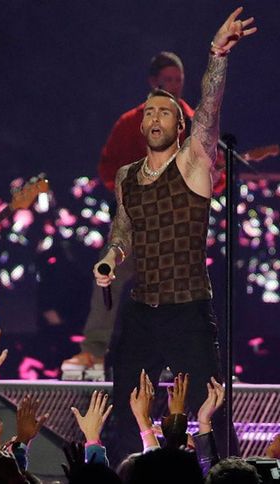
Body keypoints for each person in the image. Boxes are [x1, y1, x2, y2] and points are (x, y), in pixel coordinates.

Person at [97, 7, 256, 462]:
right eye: (149, 111)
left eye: (164, 112)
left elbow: (209, 110)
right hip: (141, 308)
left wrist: (217, 55)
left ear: (179, 126)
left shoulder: (193, 163)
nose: (155, 117)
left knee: (210, 407)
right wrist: (110, 258)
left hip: (187, 309)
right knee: (127, 407)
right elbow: (123, 230)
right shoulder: (127, 176)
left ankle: (224, 473)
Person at [62, 52, 195, 380]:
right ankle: (94, 351)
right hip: (132, 222)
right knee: (108, 275)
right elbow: (108, 167)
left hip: (174, 225)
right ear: (153, 83)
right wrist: (129, 194)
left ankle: (170, 357)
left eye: (178, 80)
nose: (174, 86)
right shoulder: (129, 123)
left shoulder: (191, 121)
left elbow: (210, 171)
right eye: (168, 80)